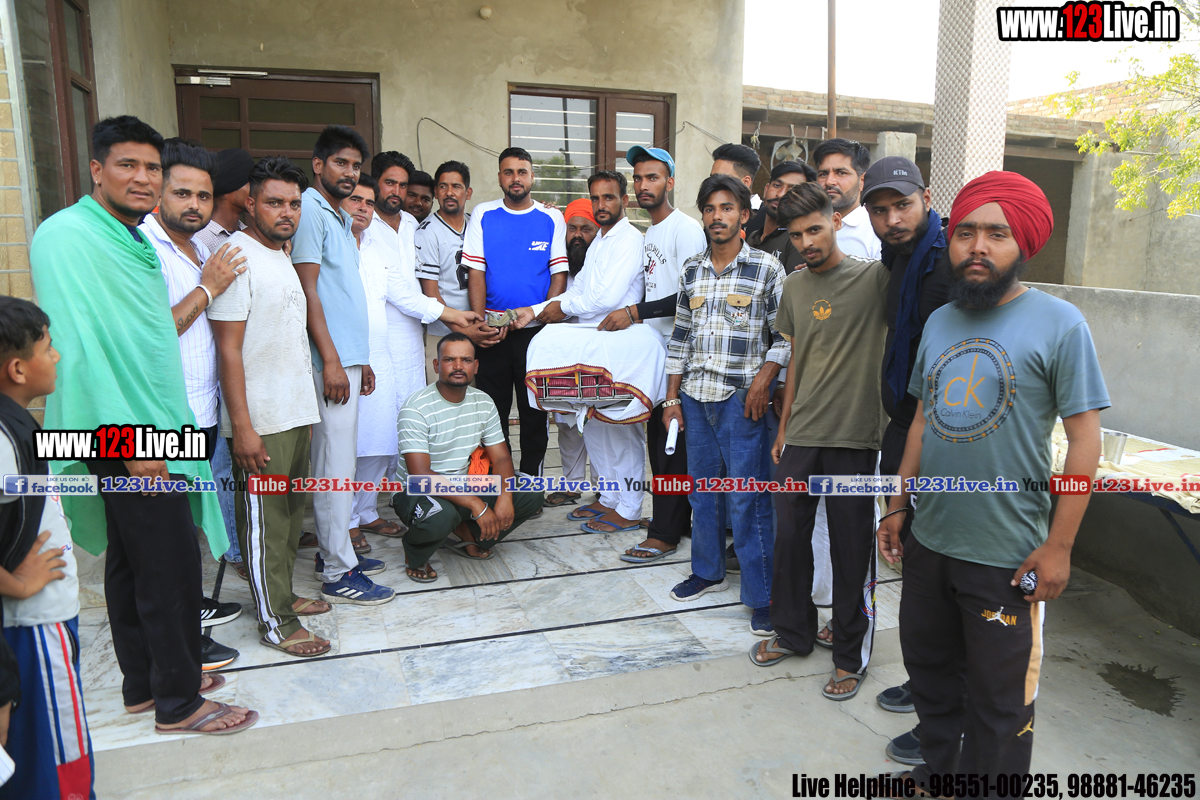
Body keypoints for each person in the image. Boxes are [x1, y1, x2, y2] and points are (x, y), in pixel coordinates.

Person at [877, 171, 1107, 790]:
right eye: (966, 232)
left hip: (1007, 553)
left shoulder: (1060, 323)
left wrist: (1059, 546)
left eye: (997, 234)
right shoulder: (941, 321)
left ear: (1022, 243)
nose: (978, 246)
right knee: (930, 673)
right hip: (931, 541)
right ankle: (941, 773)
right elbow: (922, 419)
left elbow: (1085, 441)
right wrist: (897, 503)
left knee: (1000, 701)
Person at [30, 116, 256, 735]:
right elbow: (82, 346)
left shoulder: (125, 237)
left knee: (133, 559)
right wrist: (129, 439)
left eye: (151, 167)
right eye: (127, 165)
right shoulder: (69, 236)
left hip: (150, 419)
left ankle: (143, 685)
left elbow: (144, 334)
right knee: (170, 562)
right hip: (120, 428)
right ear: (96, 169)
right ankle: (179, 702)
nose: (143, 178)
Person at [750, 183, 886, 705]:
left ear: (836, 222)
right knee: (789, 539)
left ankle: (851, 653)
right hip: (801, 433)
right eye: (796, 234)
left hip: (854, 437)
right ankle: (793, 632)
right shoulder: (793, 287)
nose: (807, 242)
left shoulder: (874, 279)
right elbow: (797, 359)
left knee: (852, 550)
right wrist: (785, 428)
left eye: (815, 229)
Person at [209, 156, 340, 655]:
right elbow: (228, 350)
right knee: (264, 525)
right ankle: (276, 623)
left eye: (294, 203)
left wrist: (306, 415)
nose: (287, 212)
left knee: (288, 519)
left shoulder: (280, 255)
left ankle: (282, 596)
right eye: (274, 202)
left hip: (294, 413)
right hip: (260, 420)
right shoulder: (236, 258)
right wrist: (242, 427)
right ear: (250, 203)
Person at [662, 175, 788, 636]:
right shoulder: (692, 270)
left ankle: (762, 596)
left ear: (744, 215)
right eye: (710, 208)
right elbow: (680, 338)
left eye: (727, 207)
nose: (718, 216)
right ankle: (708, 570)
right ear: (703, 216)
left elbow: (786, 336)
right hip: (695, 399)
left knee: (748, 498)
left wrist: (763, 381)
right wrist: (671, 398)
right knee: (703, 492)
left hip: (742, 402)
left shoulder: (767, 269)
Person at [138, 140, 247, 666]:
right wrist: (207, 289)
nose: (195, 205)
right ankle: (182, 648)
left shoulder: (199, 249)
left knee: (187, 535)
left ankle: (191, 613)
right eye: (182, 193)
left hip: (200, 416)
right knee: (167, 540)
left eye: (203, 195)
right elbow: (153, 335)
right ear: (158, 192)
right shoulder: (145, 249)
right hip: (163, 421)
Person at [862, 156, 954, 764]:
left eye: (903, 206)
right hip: (904, 423)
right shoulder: (901, 258)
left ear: (925, 199)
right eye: (881, 210)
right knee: (918, 579)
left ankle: (944, 720)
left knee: (939, 583)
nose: (893, 219)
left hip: (939, 437)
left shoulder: (944, 262)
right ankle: (928, 688)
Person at [291, 124, 395, 605]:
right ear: (318, 165)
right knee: (333, 465)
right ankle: (338, 570)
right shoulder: (311, 211)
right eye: (340, 163)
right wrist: (332, 361)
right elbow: (308, 290)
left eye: (356, 165)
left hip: (347, 359)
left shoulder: (337, 215)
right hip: (327, 362)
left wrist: (359, 359)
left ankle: (333, 554)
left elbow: (342, 296)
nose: (350, 173)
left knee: (340, 463)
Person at [513, 171, 645, 533]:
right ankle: (609, 498)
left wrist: (559, 309)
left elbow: (605, 299)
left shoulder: (629, 240)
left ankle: (630, 508)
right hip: (595, 345)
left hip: (619, 344)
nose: (602, 205)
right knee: (594, 423)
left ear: (624, 201)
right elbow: (579, 290)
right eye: (596, 198)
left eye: (609, 197)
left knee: (621, 428)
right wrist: (536, 310)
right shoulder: (601, 240)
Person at [0, 297, 93, 798]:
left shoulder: (16, 424)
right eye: (48, 348)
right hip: (32, 623)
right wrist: (17, 585)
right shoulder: (4, 436)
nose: (56, 357)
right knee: (60, 770)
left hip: (42, 620)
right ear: (17, 369)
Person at [598, 146, 706, 563]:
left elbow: (693, 295)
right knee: (662, 444)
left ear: (670, 182)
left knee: (670, 446)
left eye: (653, 177)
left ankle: (664, 534)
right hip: (657, 354)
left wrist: (633, 312)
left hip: (685, 356)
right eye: (639, 178)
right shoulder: (650, 233)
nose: (644, 185)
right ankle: (673, 521)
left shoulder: (685, 229)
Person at [391, 333, 546, 581]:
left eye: (465, 360)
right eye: (449, 360)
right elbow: (420, 475)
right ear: (436, 365)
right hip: (416, 489)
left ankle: (470, 534)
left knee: (531, 492)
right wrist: (477, 504)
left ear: (476, 366)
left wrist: (505, 496)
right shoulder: (416, 408)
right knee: (441, 516)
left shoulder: (483, 401)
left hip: (464, 483)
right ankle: (415, 551)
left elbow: (502, 459)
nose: (458, 366)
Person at [463, 146, 568, 477]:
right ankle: (502, 481)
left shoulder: (552, 217)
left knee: (534, 411)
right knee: (493, 412)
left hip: (535, 333)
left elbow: (558, 275)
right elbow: (476, 272)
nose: (515, 178)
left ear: (532, 176)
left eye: (522, 172)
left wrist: (542, 319)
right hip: (492, 332)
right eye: (508, 172)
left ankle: (531, 481)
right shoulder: (484, 213)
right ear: (499, 177)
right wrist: (479, 324)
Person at [541, 197, 599, 509]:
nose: (577, 235)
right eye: (572, 228)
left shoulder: (604, 264)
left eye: (586, 229)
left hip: (598, 354)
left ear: (597, 232)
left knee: (601, 422)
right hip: (563, 356)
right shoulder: (558, 266)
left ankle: (604, 489)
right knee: (565, 422)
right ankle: (572, 485)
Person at [416, 161, 491, 383]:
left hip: (479, 330)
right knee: (445, 395)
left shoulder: (476, 225)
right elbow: (431, 293)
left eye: (456, 186)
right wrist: (464, 331)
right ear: (436, 192)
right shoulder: (427, 232)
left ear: (468, 192)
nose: (449, 192)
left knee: (477, 395)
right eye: (443, 186)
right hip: (443, 332)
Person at [813, 138, 880, 261]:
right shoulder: (807, 227)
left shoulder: (875, 232)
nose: (829, 181)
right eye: (823, 174)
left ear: (862, 181)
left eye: (841, 173)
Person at [747, 161, 815, 271]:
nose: (781, 194)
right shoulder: (753, 237)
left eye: (792, 190)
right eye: (777, 185)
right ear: (766, 189)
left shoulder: (797, 241)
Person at [195, 147, 254, 254]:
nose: (256, 190)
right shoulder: (200, 240)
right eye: (250, 182)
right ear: (230, 185)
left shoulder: (249, 234)